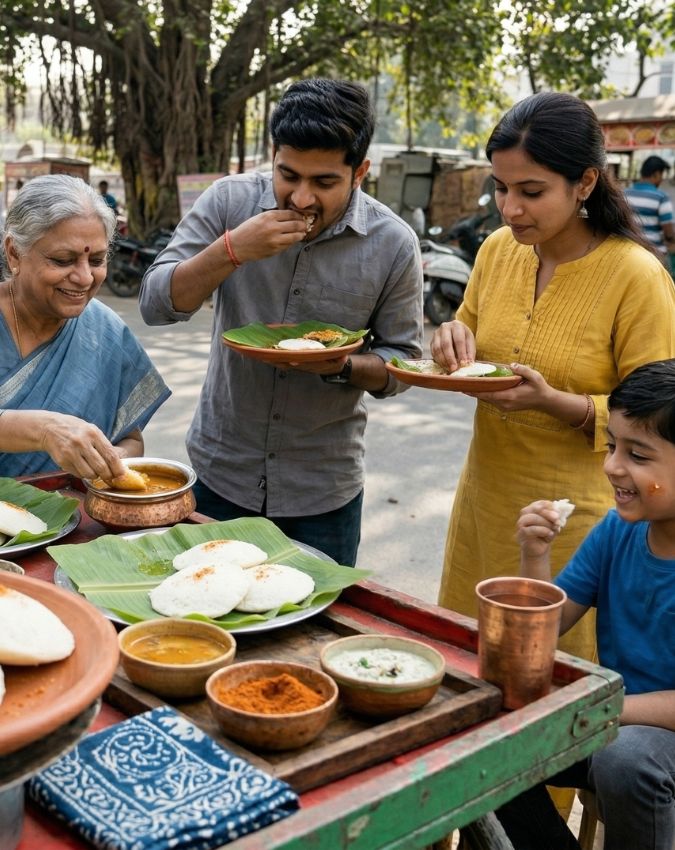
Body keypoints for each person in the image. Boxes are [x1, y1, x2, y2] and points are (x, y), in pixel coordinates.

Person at [430, 91, 675, 663]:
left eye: (531, 192)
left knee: (549, 677)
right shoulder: (496, 251)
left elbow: (658, 423)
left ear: (585, 183)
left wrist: (555, 402)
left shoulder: (635, 276)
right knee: (469, 664)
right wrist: (448, 341)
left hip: (574, 519)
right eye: (502, 188)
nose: (509, 208)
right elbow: (464, 332)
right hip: (485, 501)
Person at [139, 78, 423, 566]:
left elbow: (406, 361)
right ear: (273, 154)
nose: (302, 198)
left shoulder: (394, 243)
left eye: (325, 182)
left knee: (314, 636)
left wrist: (342, 365)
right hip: (219, 474)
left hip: (322, 492)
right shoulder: (229, 202)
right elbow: (155, 302)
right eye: (288, 175)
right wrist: (232, 250)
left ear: (361, 172)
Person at [494, 358, 675, 850]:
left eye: (638, 455)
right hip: (614, 721)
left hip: (642, 740)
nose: (612, 465)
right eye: (613, 445)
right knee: (488, 736)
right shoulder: (618, 530)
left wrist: (600, 707)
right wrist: (535, 556)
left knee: (628, 759)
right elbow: (541, 636)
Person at [0, 174, 171, 480]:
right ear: (14, 253)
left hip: (71, 523)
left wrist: (108, 461)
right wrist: (44, 430)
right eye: (63, 260)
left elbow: (130, 440)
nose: (85, 278)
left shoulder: (105, 331)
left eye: (97, 260)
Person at [624, 155, 675, 271]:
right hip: (654, 256)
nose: (661, 179)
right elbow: (669, 233)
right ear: (656, 174)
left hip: (628, 254)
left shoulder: (624, 194)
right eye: (661, 175)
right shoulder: (661, 197)